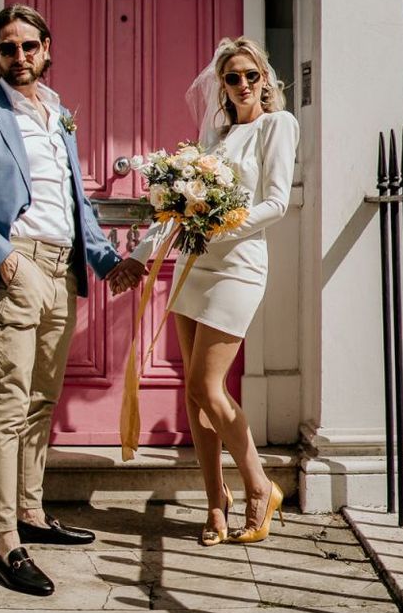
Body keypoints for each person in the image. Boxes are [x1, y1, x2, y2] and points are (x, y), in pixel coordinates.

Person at [0, 4, 142, 596]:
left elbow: (75, 205)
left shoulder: (60, 116)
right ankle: (5, 543)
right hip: (17, 263)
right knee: (8, 401)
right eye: (8, 48)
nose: (20, 56)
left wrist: (106, 260)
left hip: (63, 269)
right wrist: (2, 258)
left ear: (47, 48)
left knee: (41, 399)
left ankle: (30, 510)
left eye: (29, 45)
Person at [114, 37, 299, 546]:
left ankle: (261, 487)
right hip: (193, 265)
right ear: (222, 84)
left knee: (206, 386)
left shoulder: (277, 126)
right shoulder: (211, 136)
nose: (242, 85)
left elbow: (277, 203)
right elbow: (179, 207)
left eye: (251, 76)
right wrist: (139, 253)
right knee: (194, 397)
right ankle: (216, 501)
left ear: (266, 79)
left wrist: (222, 226)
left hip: (237, 265)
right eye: (232, 77)